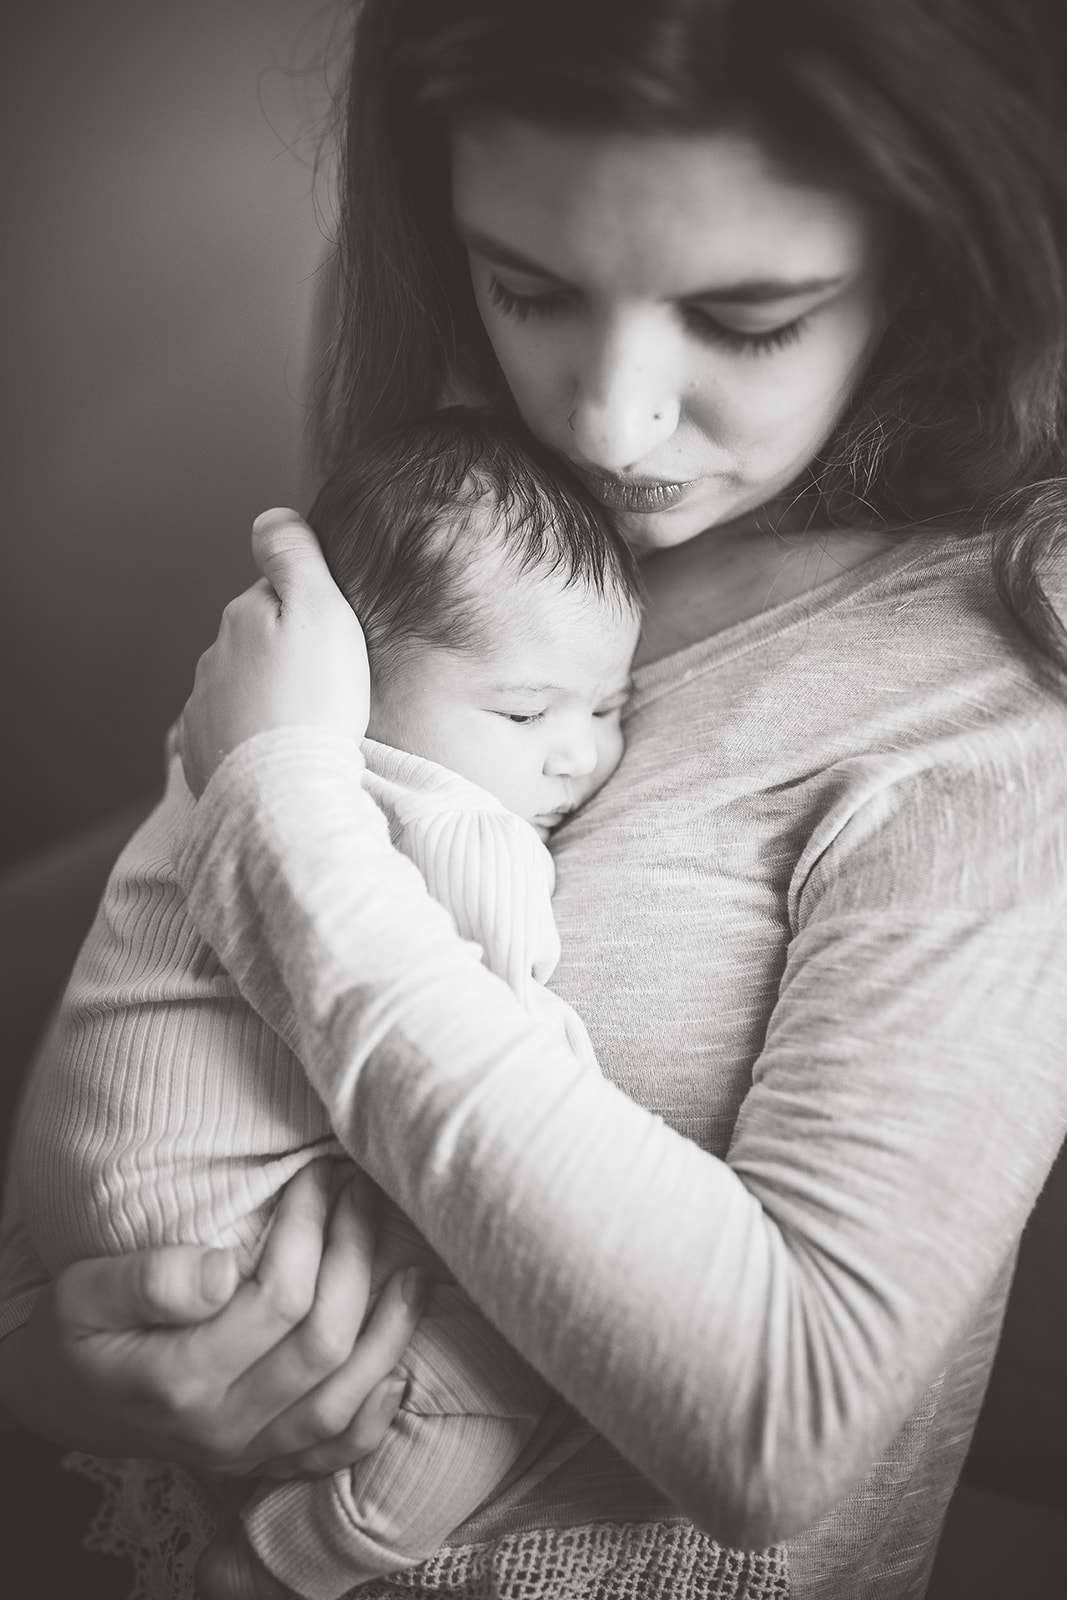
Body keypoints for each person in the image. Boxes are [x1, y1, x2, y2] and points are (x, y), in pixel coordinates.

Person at [3, 2, 1067, 1598]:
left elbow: (783, 1432)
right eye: (530, 287)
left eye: (749, 315)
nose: (604, 422)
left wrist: (283, 819)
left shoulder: (993, 697)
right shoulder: (486, 514)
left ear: (944, 259)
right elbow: (159, 1004)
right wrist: (49, 1353)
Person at [10, 407, 640, 1599]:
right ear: (354, 677)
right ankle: (280, 1566)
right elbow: (507, 1064)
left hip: (79, 1200)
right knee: (499, 1378)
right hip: (225, 1241)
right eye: (524, 712)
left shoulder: (205, 753)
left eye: (608, 706)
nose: (581, 756)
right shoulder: (452, 822)